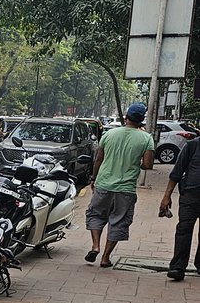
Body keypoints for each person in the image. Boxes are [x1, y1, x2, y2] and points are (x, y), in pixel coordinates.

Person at [84, 101, 155, 267]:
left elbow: (98, 159)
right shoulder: (146, 138)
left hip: (103, 184)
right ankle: (105, 258)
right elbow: (148, 165)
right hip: (126, 189)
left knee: (96, 215)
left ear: (126, 117)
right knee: (119, 221)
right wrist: (134, 160)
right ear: (141, 120)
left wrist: (94, 178)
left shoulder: (110, 134)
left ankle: (95, 246)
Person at [158, 132, 200, 280]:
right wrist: (166, 196)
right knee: (184, 229)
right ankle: (177, 267)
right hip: (190, 196)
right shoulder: (193, 146)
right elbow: (177, 172)